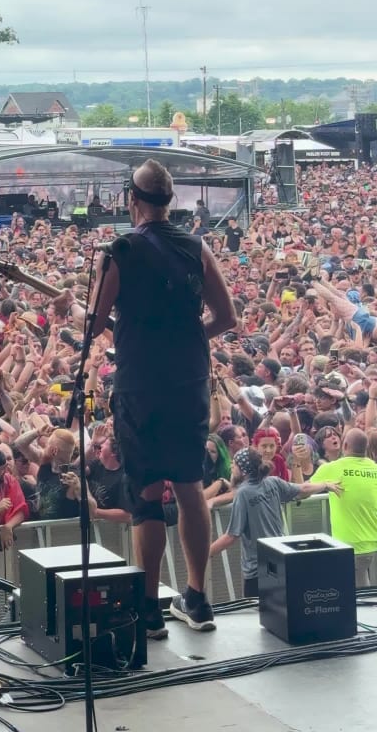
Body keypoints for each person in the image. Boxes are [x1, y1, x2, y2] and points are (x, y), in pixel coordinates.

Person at [93, 159, 237, 636]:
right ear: (169, 202)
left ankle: (150, 608)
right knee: (191, 485)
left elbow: (93, 324)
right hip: (188, 383)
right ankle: (197, 599)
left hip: (140, 388)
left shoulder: (122, 250)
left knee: (147, 493)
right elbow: (226, 316)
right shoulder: (196, 248)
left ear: (131, 200)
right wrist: (191, 341)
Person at [210, 448, 343, 595]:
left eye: (234, 464)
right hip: (280, 560)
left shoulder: (243, 493)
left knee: (255, 613)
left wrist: (206, 552)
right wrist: (325, 485)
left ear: (243, 470)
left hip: (256, 569)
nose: (231, 467)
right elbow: (303, 489)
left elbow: (231, 536)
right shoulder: (273, 483)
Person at [311, 428, 377, 586]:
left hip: (352, 544)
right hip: (374, 541)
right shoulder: (374, 468)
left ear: (345, 445)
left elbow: (302, 490)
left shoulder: (332, 468)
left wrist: (324, 484)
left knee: (360, 596)